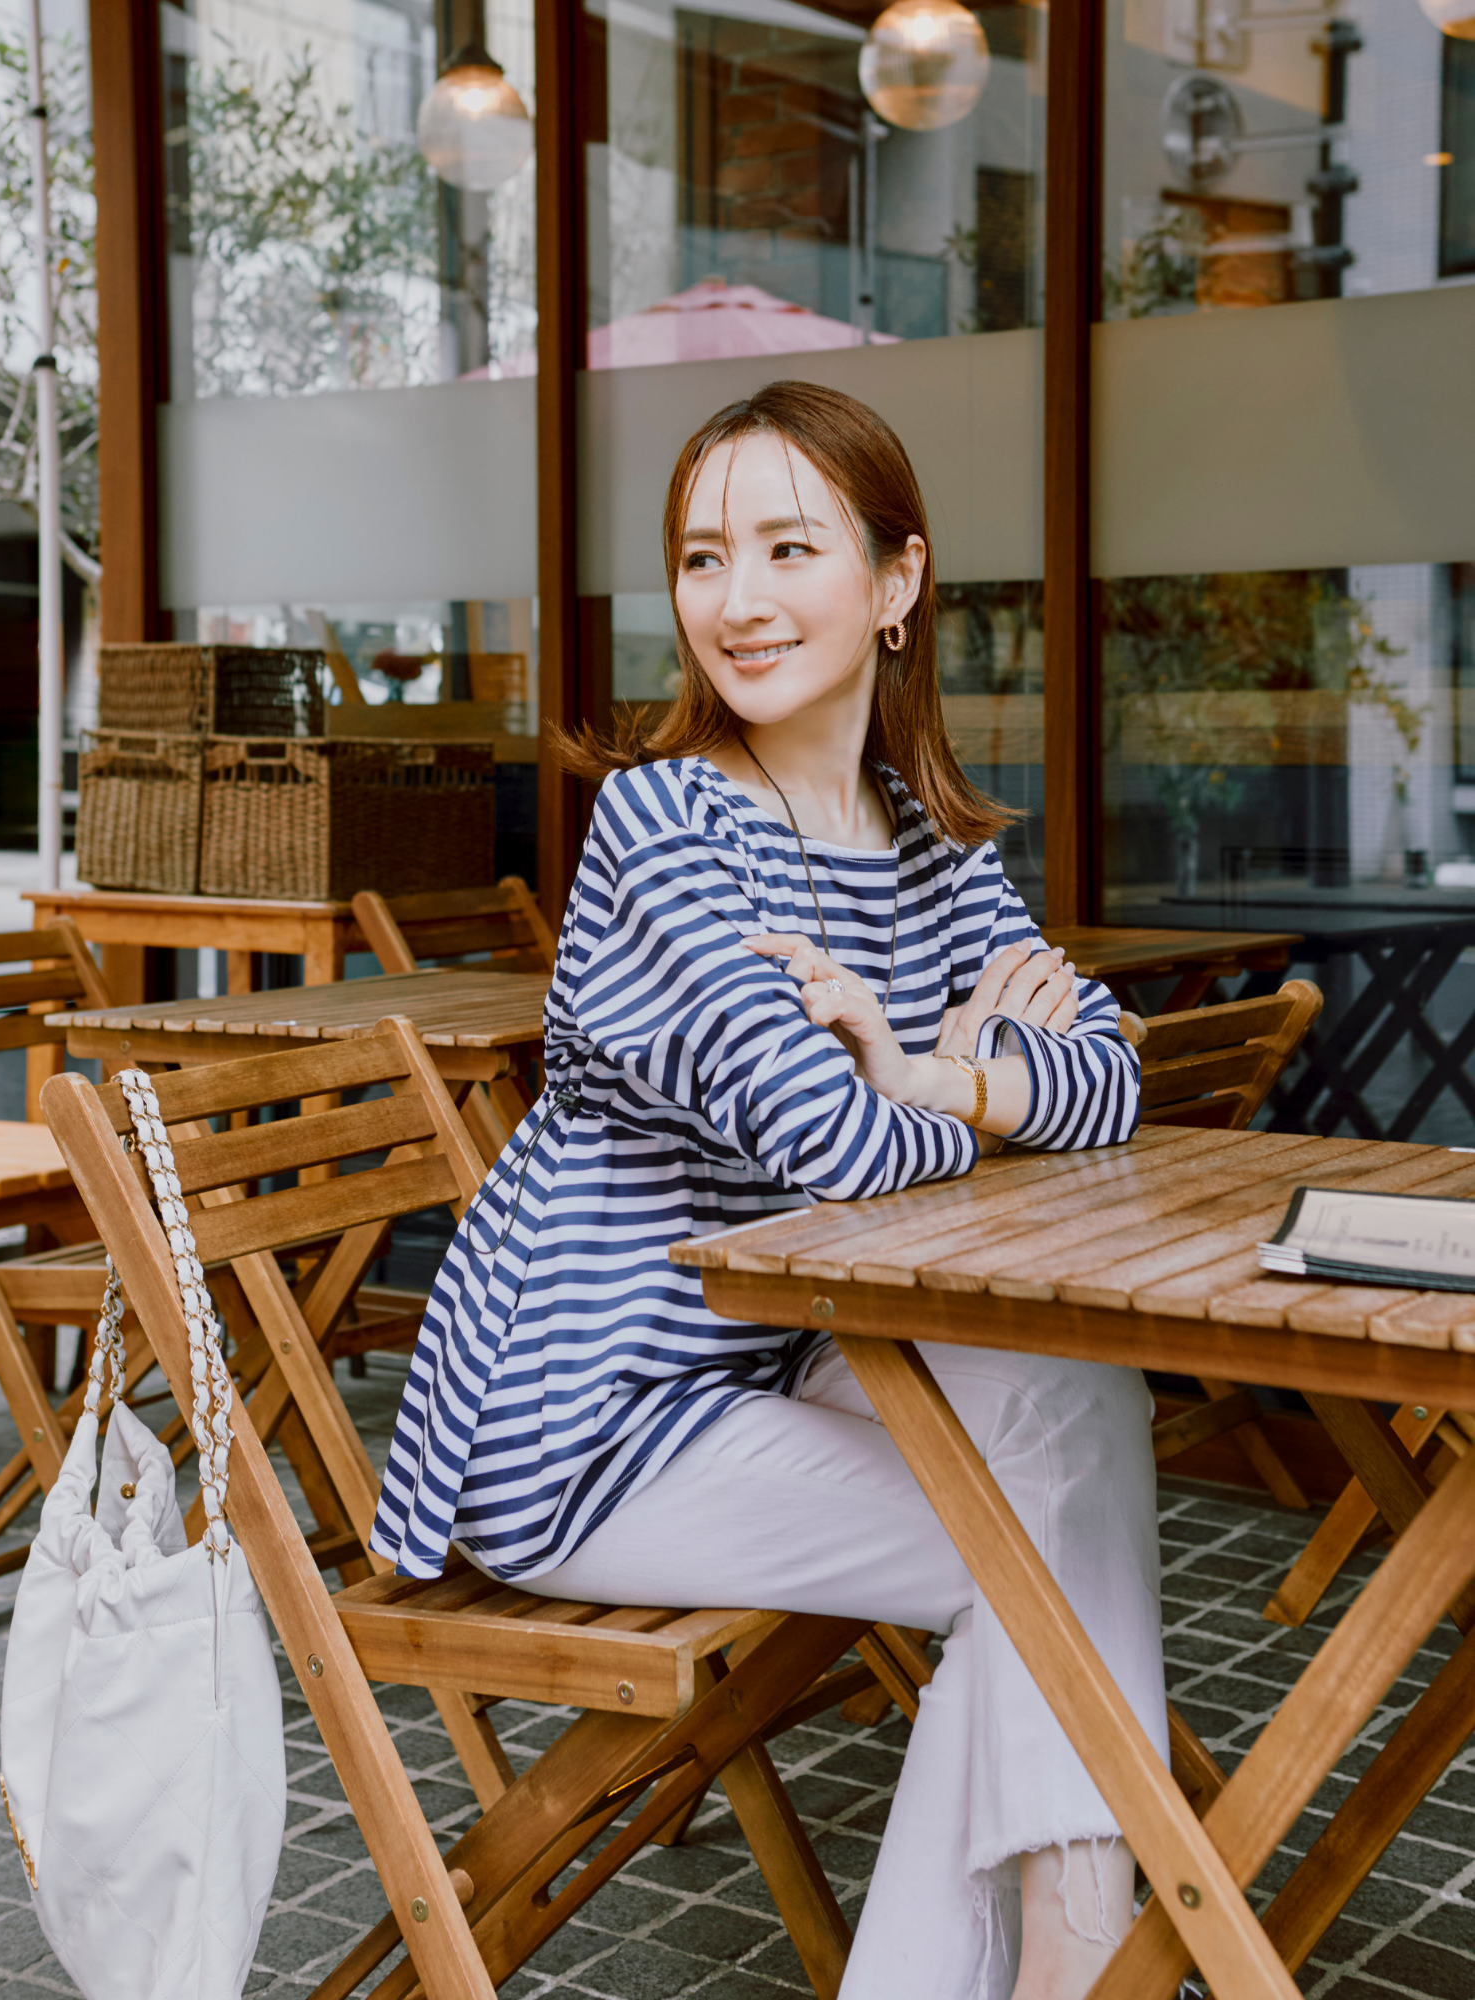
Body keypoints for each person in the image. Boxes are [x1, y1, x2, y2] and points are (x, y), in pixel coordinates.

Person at [371, 380, 1167, 2000]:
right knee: (1033, 1565)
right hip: (581, 1425)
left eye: (789, 548)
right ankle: (1090, 1959)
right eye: (702, 557)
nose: (735, 600)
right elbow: (834, 1149)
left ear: (895, 583)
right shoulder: (666, 830)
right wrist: (934, 1087)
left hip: (758, 1365)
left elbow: (1112, 1077)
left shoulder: (927, 840)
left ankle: (1071, 1957)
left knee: (1077, 1403)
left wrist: (939, 1071)